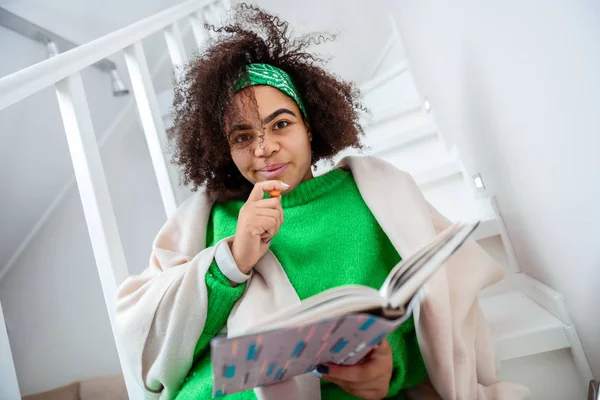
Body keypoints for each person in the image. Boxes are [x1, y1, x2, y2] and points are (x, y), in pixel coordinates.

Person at [115, 4, 527, 400]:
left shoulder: (370, 195)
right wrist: (231, 262)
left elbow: (438, 312)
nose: (264, 149)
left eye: (281, 124)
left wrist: (392, 367)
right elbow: (159, 347)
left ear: (310, 127)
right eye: (242, 137)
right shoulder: (213, 218)